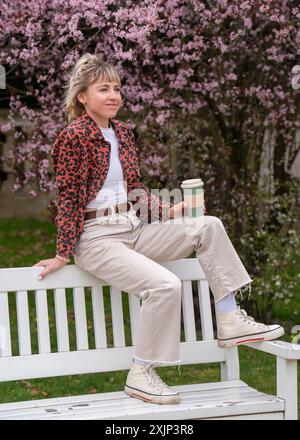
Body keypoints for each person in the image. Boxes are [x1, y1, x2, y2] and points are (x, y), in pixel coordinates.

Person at [33, 53, 284, 406]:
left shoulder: (123, 132)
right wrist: (63, 253)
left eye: (117, 88)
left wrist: (172, 211)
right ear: (82, 97)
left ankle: (229, 320)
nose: (113, 95)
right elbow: (70, 198)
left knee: (207, 226)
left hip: (133, 230)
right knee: (166, 285)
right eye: (103, 89)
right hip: (97, 240)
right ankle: (141, 372)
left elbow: (135, 191)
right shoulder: (74, 136)